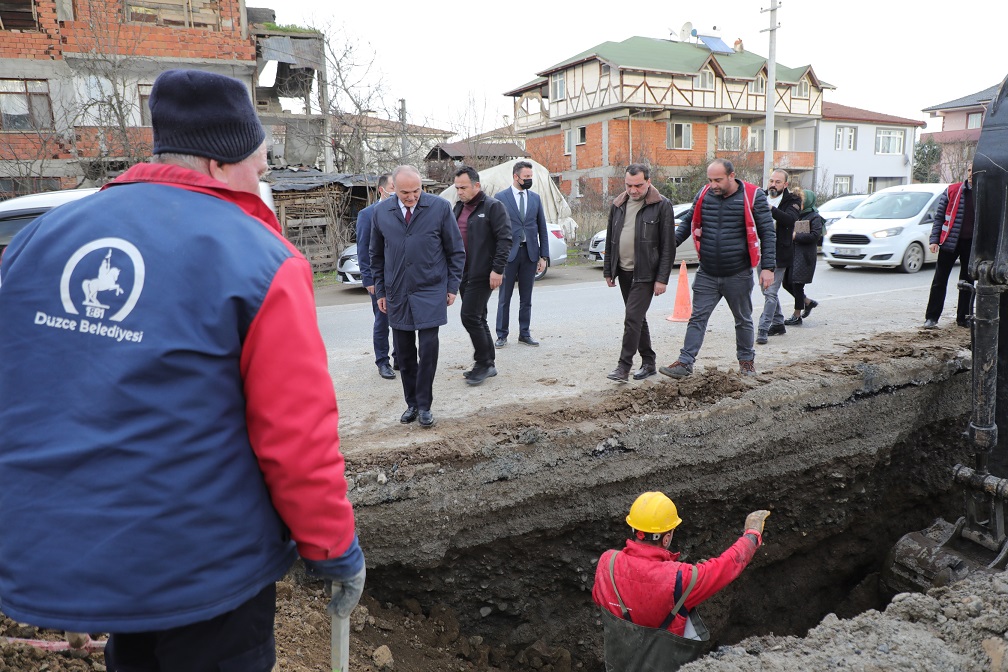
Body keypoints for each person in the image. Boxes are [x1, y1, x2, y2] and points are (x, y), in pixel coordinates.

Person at [0, 69, 364, 672]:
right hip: (204, 568)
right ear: (222, 163)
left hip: (86, 559)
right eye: (260, 164)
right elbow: (296, 436)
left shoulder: (39, 241)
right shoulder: (257, 258)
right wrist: (332, 550)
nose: (264, 178)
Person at [592, 492, 770, 672]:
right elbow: (726, 566)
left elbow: (600, 598)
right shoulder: (681, 578)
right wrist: (752, 535)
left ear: (634, 529)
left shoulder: (607, 562)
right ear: (666, 538)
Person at [659, 158, 776, 378]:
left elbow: (768, 233)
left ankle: (746, 362)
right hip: (707, 271)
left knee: (743, 319)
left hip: (738, 272)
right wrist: (669, 246)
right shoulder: (704, 194)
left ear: (732, 176)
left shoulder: (753, 196)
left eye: (718, 180)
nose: (713, 185)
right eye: (710, 180)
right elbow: (687, 223)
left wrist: (768, 267)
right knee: (697, 318)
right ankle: (685, 363)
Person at [371, 165, 466, 428]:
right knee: (403, 352)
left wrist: (451, 286)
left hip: (431, 289)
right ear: (393, 189)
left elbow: (456, 251)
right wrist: (380, 290)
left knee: (428, 348)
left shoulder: (439, 208)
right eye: (405, 193)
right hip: (397, 293)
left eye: (416, 191)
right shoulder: (381, 212)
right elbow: (376, 256)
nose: (412, 197)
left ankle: (425, 405)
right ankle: (411, 403)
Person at [603, 163, 676, 382]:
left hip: (646, 273)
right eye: (629, 185)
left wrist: (662, 278)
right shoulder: (618, 204)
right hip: (624, 271)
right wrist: (609, 269)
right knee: (638, 318)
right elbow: (611, 238)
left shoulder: (662, 205)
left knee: (632, 318)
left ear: (649, 182)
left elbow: (668, 246)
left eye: (638, 185)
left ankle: (623, 367)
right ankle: (649, 362)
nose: (633, 190)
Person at [452, 166, 512, 386]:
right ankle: (489, 364)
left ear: (477, 185)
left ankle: (483, 363)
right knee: (478, 317)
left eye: (464, 187)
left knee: (469, 316)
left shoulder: (494, 207)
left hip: (483, 273)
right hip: (463, 273)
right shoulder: (458, 208)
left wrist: (498, 270)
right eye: (457, 188)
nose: (460, 192)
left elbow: (505, 240)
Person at [495, 160, 549, 347]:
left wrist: (544, 256)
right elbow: (494, 230)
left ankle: (524, 333)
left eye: (531, 177)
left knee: (526, 298)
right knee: (505, 298)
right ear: (515, 176)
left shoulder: (535, 198)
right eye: (526, 177)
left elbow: (542, 227)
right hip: (508, 255)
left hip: (530, 254)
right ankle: (502, 335)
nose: (529, 180)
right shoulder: (501, 198)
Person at [356, 172, 397, 379]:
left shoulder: (402, 210)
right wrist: (368, 279)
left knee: (402, 318)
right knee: (382, 320)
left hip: (399, 276)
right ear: (382, 190)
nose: (396, 191)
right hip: (379, 278)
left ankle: (399, 356)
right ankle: (383, 361)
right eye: (393, 186)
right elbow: (363, 249)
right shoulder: (367, 214)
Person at [924, 167, 974, 328]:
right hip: (949, 242)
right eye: (969, 170)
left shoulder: (986, 193)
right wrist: (934, 240)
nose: (971, 174)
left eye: (975, 171)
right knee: (940, 280)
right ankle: (931, 318)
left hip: (972, 244)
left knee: (967, 282)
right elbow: (939, 218)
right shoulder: (952, 190)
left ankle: (963, 318)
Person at [755, 169, 801, 345]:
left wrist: (770, 208)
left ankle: (763, 329)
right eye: (771, 181)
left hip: (780, 252)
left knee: (771, 292)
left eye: (778, 182)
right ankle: (779, 322)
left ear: (785, 184)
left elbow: (790, 219)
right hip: (760, 250)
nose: (773, 185)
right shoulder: (760, 195)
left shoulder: (793, 200)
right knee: (766, 290)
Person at [782, 188, 824, 325]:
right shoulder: (796, 213)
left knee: (797, 284)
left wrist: (795, 236)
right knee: (786, 283)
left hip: (804, 256)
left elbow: (814, 236)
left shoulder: (814, 217)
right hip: (792, 253)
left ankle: (797, 315)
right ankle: (807, 302)